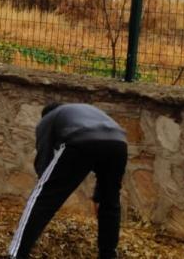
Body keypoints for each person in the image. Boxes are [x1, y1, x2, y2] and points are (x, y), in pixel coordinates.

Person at [8, 103, 127, 259]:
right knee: (110, 203)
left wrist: (44, 186)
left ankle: (17, 254)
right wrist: (99, 197)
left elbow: (44, 158)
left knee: (42, 199)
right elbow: (101, 144)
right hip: (118, 142)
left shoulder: (47, 120)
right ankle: (108, 255)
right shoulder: (81, 112)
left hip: (81, 139)